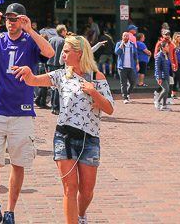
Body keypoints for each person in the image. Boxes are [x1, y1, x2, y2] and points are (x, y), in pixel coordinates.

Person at [11, 35, 114, 224]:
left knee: (87, 190)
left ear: (79, 53)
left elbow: (109, 108)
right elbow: (34, 80)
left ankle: (81, 215)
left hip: (89, 138)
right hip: (63, 136)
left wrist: (93, 91)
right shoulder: (61, 75)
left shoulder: (96, 77)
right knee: (70, 187)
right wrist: (27, 73)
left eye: (66, 51)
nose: (63, 55)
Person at [0, 3, 55, 224]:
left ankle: (10, 211)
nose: (10, 22)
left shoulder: (29, 41)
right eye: (8, 18)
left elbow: (50, 53)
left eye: (15, 18)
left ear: (23, 19)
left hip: (22, 111)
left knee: (18, 163)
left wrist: (31, 30)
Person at [114, 32, 138, 103]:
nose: (126, 37)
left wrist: (137, 64)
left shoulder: (132, 44)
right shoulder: (119, 44)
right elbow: (117, 52)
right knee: (123, 83)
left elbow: (135, 55)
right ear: (122, 37)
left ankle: (127, 93)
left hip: (131, 66)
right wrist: (121, 45)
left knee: (133, 82)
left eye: (127, 36)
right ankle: (125, 98)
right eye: (124, 36)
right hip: (122, 67)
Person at [48, 25, 67, 114]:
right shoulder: (63, 41)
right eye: (65, 30)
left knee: (52, 85)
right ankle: (56, 107)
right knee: (58, 86)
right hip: (58, 65)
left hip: (50, 63)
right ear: (62, 31)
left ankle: (52, 105)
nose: (66, 32)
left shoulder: (51, 39)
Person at [153, 35, 173, 110]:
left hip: (167, 75)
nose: (168, 47)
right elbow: (157, 68)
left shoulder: (167, 54)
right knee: (166, 89)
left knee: (167, 91)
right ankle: (157, 102)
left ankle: (164, 105)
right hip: (161, 76)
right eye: (167, 46)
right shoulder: (159, 56)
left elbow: (168, 65)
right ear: (163, 48)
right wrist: (159, 77)